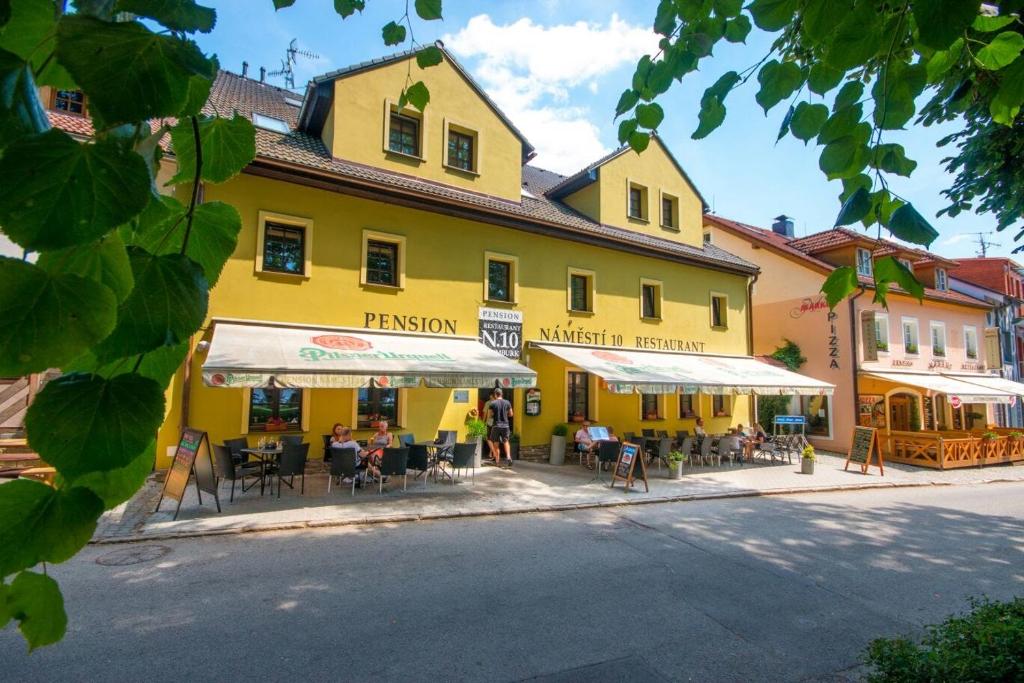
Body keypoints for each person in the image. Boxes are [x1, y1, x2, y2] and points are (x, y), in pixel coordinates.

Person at [488, 388, 514, 467]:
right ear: (501, 394)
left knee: (496, 442)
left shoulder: (492, 403)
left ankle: (497, 460)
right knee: (506, 441)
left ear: (495, 394)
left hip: (496, 425)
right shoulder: (507, 402)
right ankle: (508, 457)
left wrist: (495, 414)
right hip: (505, 425)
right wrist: (505, 414)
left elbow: (490, 415)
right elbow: (511, 414)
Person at [483, 390, 498, 464]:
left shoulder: (488, 403)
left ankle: (493, 453)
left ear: (491, 395)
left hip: (489, 422)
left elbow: (486, 414)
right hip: (497, 423)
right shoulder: (498, 402)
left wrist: (483, 422)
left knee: (488, 438)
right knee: (494, 439)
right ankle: (491, 453)